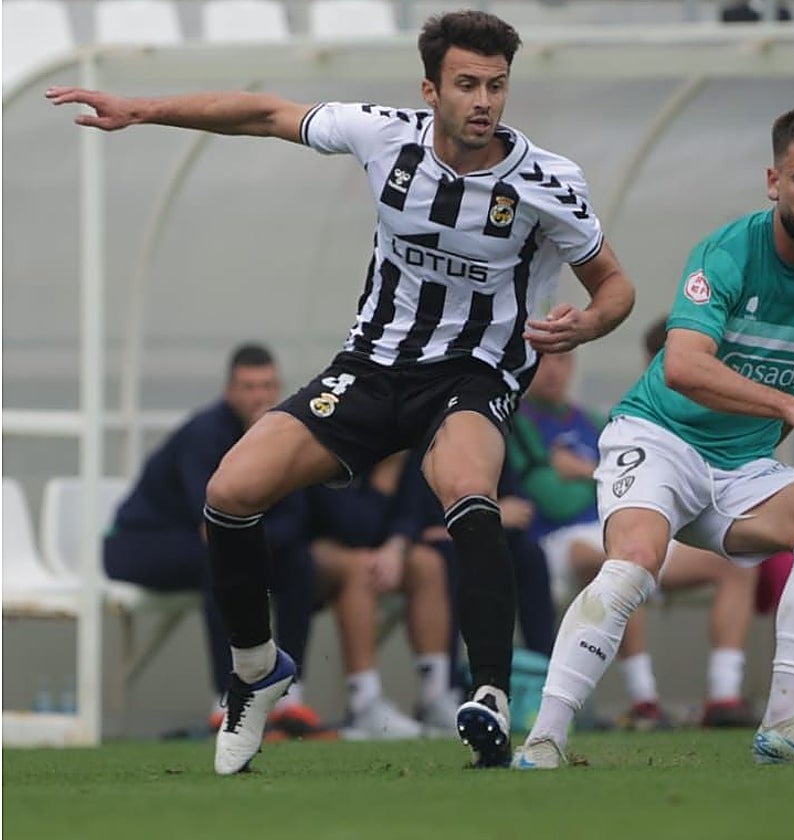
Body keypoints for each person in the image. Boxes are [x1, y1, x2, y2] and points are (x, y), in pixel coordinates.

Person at [50, 9, 636, 773]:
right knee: (231, 491)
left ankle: (489, 693)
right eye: (466, 84)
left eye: (496, 85)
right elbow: (264, 113)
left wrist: (588, 324)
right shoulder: (383, 135)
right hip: (371, 367)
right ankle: (257, 669)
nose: (483, 101)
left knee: (467, 486)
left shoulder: (547, 180)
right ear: (430, 90)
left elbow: (614, 285)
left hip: (475, 372)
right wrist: (143, 109)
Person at [512, 106, 794, 769]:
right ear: (774, 182)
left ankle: (785, 725)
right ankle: (545, 740)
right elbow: (683, 366)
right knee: (633, 561)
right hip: (658, 439)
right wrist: (792, 411)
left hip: (740, 465)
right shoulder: (727, 253)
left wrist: (781, 423)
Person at [508, 341, 759, 730]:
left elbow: (633, 482)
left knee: (737, 565)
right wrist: (599, 477)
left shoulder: (594, 421)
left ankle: (723, 695)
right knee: (623, 562)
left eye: (563, 359)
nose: (554, 370)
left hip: (617, 529)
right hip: (558, 543)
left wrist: (583, 471)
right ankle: (644, 701)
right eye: (545, 362)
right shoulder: (518, 421)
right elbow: (553, 500)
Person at [104, 344, 322, 737]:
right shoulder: (206, 434)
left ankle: (290, 699)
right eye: (249, 387)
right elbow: (213, 525)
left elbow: (295, 520)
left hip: (220, 540)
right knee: (221, 563)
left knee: (298, 561)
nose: (259, 396)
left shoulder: (285, 434)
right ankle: (228, 699)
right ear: (229, 391)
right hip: (139, 544)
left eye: (268, 386)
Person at [306, 453, 426, 740]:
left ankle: (436, 696)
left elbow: (412, 512)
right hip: (305, 552)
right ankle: (365, 701)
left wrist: (395, 546)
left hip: (373, 548)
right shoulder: (330, 444)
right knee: (361, 568)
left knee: (428, 564)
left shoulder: (404, 449)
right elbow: (352, 528)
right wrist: (386, 477)